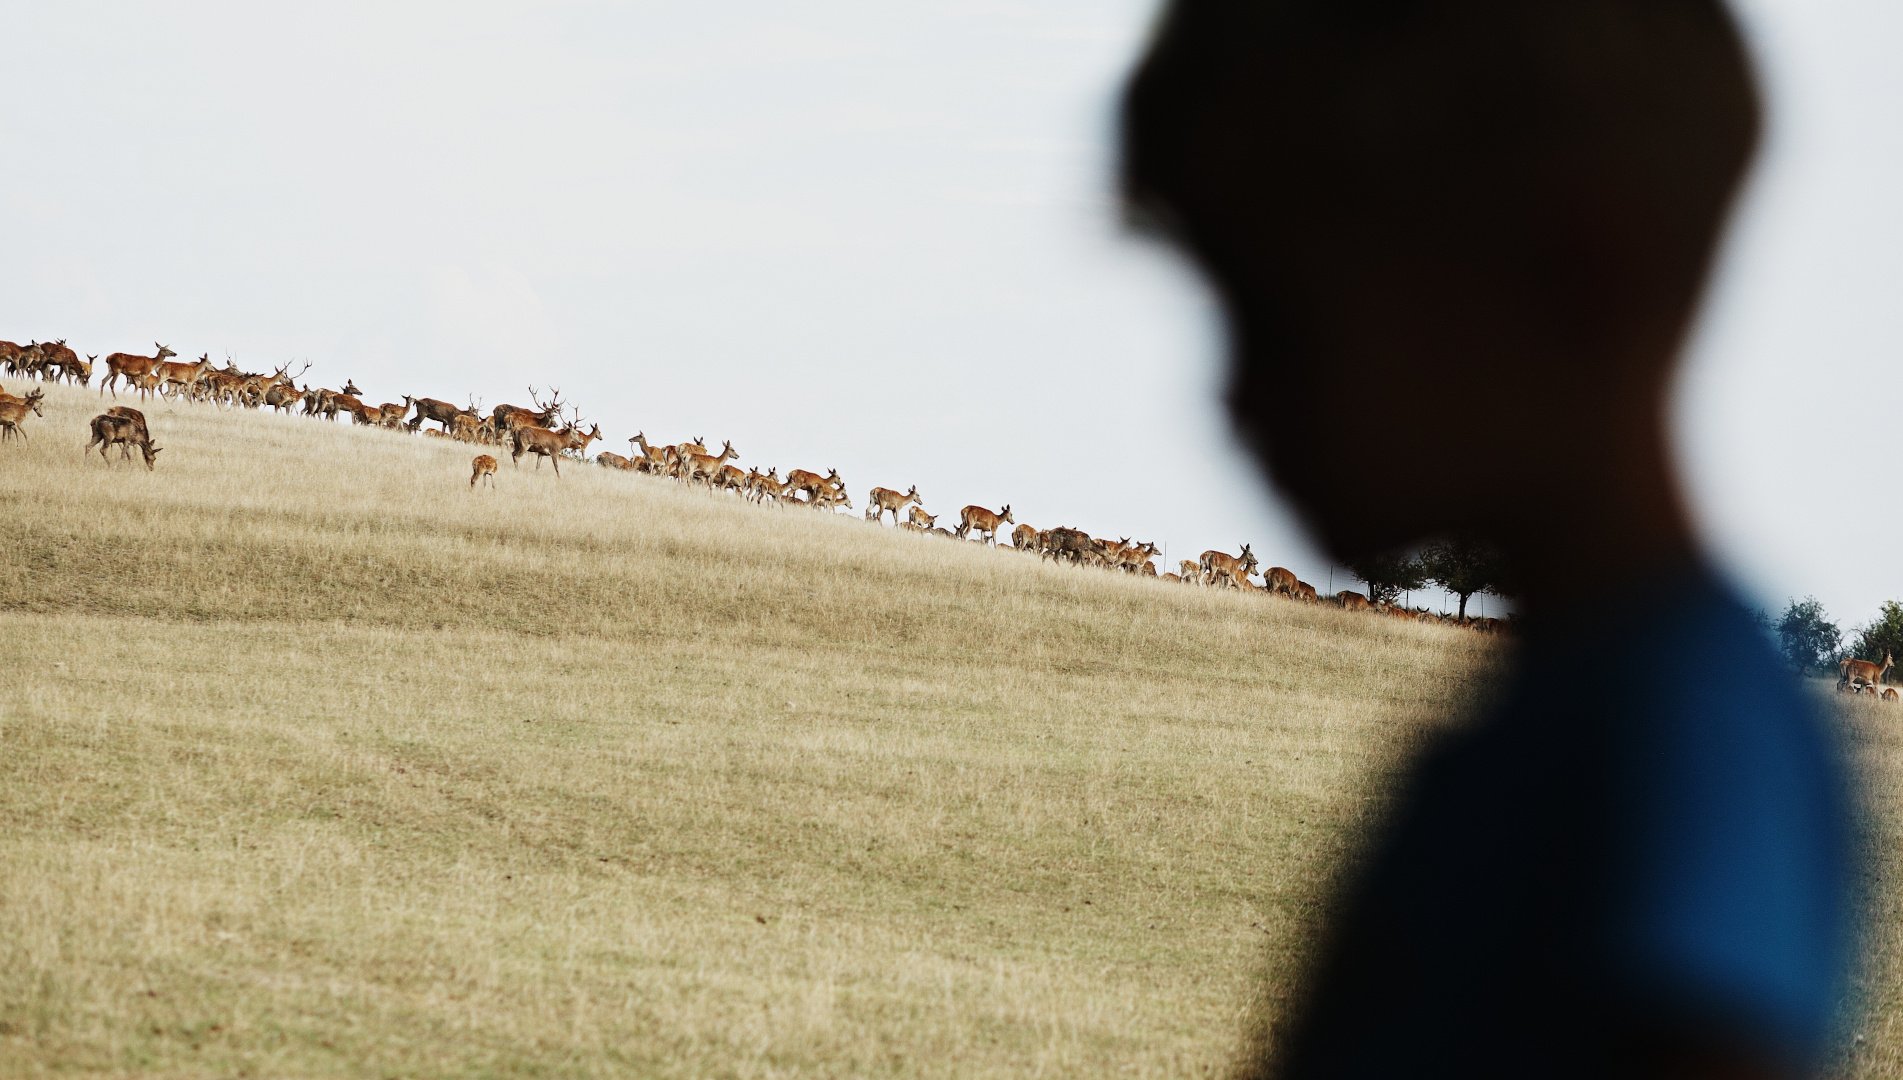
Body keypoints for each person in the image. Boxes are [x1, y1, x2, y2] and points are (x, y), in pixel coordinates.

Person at [1118, 3, 1860, 1077]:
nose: (1233, 397)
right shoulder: (1558, 723)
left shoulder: (1675, 746)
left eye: (1278, 317)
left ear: (1573, 274)